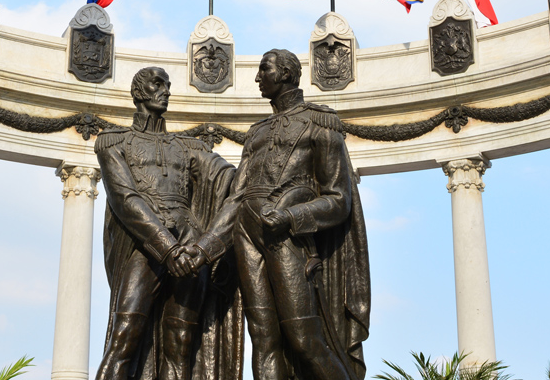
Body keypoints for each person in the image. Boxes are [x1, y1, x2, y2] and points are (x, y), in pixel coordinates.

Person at [196, 49, 370, 380]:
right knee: (262, 339)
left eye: (265, 70)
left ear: (286, 74)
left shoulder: (320, 122)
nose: (258, 77)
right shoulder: (256, 132)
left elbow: (339, 199)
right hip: (246, 231)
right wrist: (207, 247)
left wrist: (291, 217)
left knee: (304, 339)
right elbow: (236, 197)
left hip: (287, 233)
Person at [94, 67, 241, 380]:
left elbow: (230, 179)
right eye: (158, 84)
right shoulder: (112, 142)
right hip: (145, 243)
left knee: (182, 340)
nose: (167, 91)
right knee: (125, 333)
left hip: (189, 243)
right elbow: (125, 199)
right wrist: (168, 249)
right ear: (138, 93)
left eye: (168, 85)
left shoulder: (189, 146)